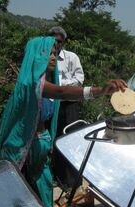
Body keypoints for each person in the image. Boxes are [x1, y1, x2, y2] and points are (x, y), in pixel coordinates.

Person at [0, 36, 127, 207]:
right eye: (49, 54)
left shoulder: (45, 83)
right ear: (38, 56)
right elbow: (62, 91)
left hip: (40, 146)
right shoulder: (31, 84)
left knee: (38, 191)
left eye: (55, 53)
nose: (54, 57)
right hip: (23, 149)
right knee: (20, 197)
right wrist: (99, 90)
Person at [47, 26, 85, 188]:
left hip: (69, 105)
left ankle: (72, 180)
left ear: (64, 42)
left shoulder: (71, 57)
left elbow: (79, 79)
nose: (57, 44)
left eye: (60, 41)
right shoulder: (45, 58)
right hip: (52, 105)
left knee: (70, 139)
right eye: (54, 41)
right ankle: (58, 177)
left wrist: (60, 86)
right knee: (54, 139)